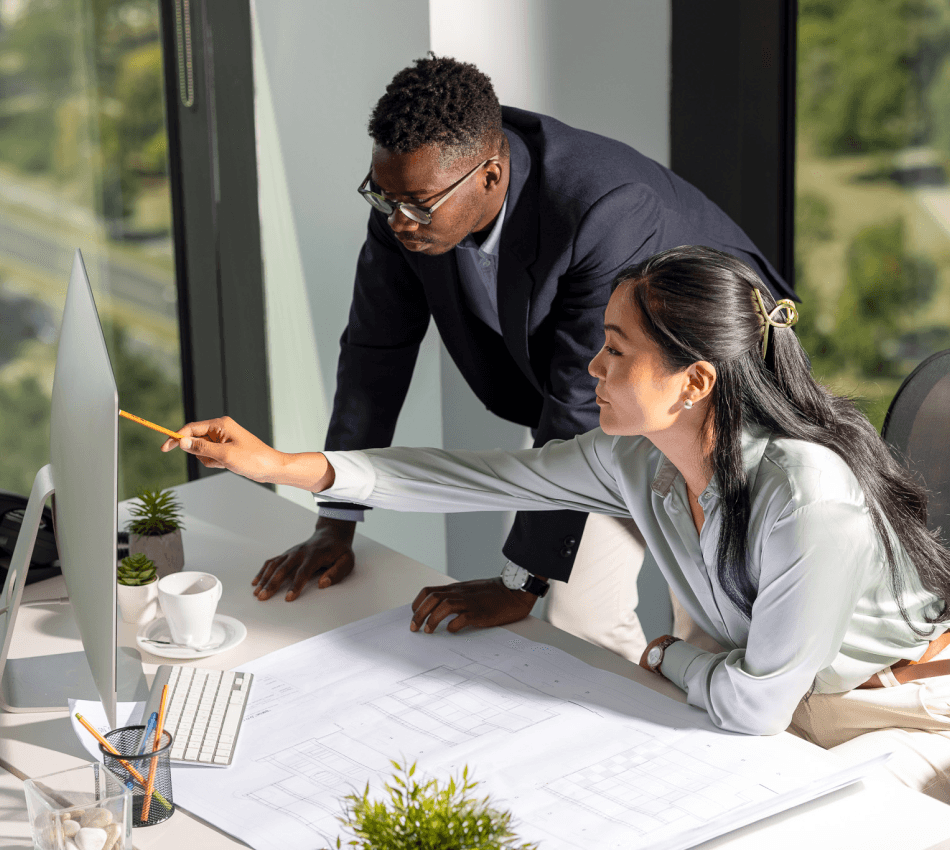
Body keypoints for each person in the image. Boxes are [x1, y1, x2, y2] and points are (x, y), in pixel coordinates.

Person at [164, 246, 950, 800]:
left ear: (693, 382)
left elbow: (754, 709)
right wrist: (282, 467)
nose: (592, 368)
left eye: (615, 350)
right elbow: (480, 474)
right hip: (769, 693)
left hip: (891, 715)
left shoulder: (806, 495)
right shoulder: (637, 460)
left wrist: (664, 654)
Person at [250, 54, 793, 664]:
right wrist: (336, 521)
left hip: (710, 391)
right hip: (612, 395)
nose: (400, 221)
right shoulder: (409, 198)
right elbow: (375, 355)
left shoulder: (602, 209)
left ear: (489, 175)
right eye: (385, 197)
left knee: (706, 627)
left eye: (418, 204)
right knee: (576, 615)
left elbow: (577, 400)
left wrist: (519, 581)